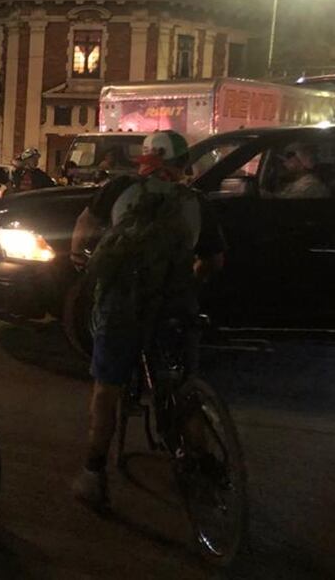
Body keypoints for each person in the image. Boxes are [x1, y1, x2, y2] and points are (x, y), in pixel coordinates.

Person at [67, 131, 225, 509]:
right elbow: (214, 261)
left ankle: (92, 473)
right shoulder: (197, 203)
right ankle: (203, 458)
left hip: (122, 305)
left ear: (146, 159)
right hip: (173, 306)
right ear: (184, 164)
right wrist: (188, 280)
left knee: (107, 389)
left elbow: (83, 229)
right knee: (181, 386)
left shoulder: (120, 188)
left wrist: (80, 258)